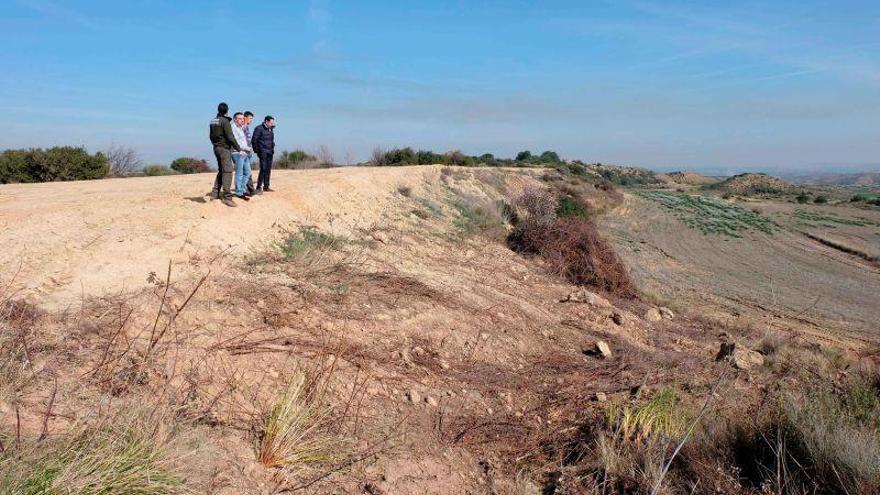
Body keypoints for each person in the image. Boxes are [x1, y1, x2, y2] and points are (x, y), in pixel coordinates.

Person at [209, 102, 241, 207]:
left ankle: (215, 193)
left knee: (222, 170)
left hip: (216, 148)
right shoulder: (225, 121)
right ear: (227, 111)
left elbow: (210, 136)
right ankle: (227, 197)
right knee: (228, 171)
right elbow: (230, 137)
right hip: (224, 149)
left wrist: (216, 144)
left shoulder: (213, 121)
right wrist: (238, 148)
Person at [229, 112, 253, 200]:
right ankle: (239, 192)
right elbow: (236, 142)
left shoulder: (241, 128)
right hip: (237, 153)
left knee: (248, 172)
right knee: (239, 173)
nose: (242, 120)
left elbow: (244, 140)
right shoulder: (233, 128)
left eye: (243, 118)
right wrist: (247, 148)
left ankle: (242, 189)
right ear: (235, 119)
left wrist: (248, 148)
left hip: (245, 152)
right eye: (239, 118)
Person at [252, 115, 276, 192]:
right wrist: (257, 151)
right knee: (263, 168)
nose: (272, 124)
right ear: (266, 121)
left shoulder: (270, 129)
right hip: (262, 152)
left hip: (270, 152)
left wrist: (273, 146)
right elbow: (254, 140)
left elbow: (271, 140)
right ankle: (258, 187)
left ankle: (266, 186)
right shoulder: (259, 128)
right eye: (271, 122)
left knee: (268, 169)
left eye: (273, 122)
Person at [242, 111, 258, 195]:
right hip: (243, 152)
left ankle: (250, 189)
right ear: (245, 117)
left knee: (247, 171)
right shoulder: (242, 127)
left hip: (248, 152)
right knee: (246, 171)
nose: (251, 120)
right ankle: (247, 190)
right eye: (250, 118)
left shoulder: (247, 127)